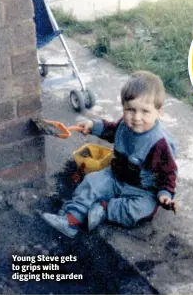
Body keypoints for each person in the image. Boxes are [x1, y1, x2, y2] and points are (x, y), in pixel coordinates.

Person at [42, 70, 178, 238]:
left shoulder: (159, 144)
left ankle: (105, 209)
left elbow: (169, 172)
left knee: (141, 210)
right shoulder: (124, 125)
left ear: (159, 112)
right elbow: (111, 129)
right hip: (115, 177)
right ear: (123, 108)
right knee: (91, 182)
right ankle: (71, 220)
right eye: (130, 110)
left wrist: (165, 194)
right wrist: (93, 126)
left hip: (142, 189)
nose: (136, 117)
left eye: (145, 111)